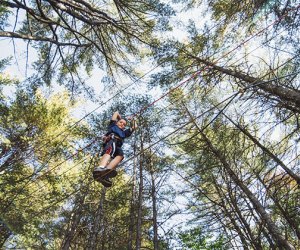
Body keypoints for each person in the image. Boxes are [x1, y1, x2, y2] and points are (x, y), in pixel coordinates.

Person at [93, 111, 137, 186]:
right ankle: (101, 167)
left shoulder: (124, 132)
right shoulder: (113, 126)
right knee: (110, 150)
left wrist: (133, 119)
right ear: (116, 122)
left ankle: (106, 172)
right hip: (111, 140)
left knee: (120, 155)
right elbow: (116, 113)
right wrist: (121, 118)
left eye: (124, 124)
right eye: (121, 122)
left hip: (118, 145)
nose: (122, 124)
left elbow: (134, 127)